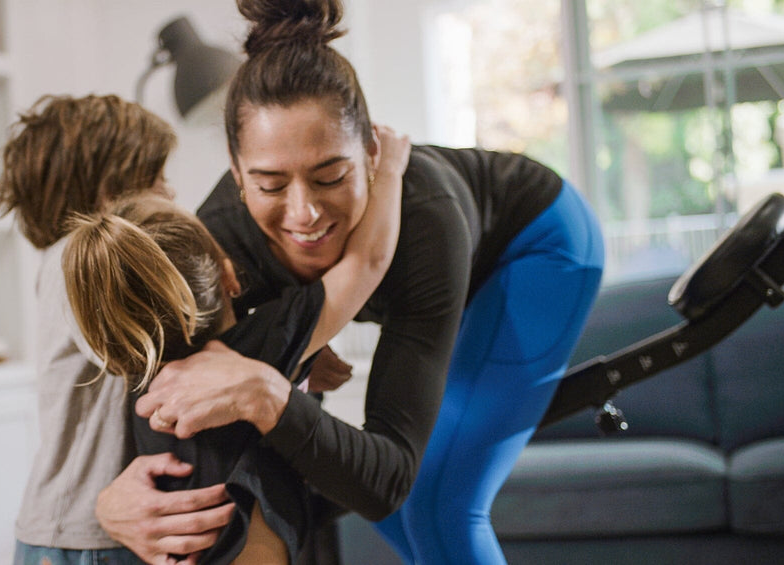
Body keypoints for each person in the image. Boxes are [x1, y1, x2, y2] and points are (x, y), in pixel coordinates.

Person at [97, 1, 606, 564]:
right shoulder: (219, 238)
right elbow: (160, 371)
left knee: (436, 503)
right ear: (237, 176)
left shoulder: (423, 220)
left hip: (535, 246)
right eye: (269, 184)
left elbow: (387, 478)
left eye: (330, 176)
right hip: (451, 270)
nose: (304, 213)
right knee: (373, 496)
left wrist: (270, 393)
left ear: (371, 155)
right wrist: (113, 499)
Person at [62, 124, 408, 565]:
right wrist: (391, 167)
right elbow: (368, 260)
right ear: (229, 274)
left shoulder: (142, 379)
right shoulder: (259, 342)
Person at [0, 93, 209, 565]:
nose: (170, 195)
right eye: (157, 179)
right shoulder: (79, 257)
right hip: (80, 542)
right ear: (110, 194)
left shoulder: (66, 258)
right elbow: (145, 352)